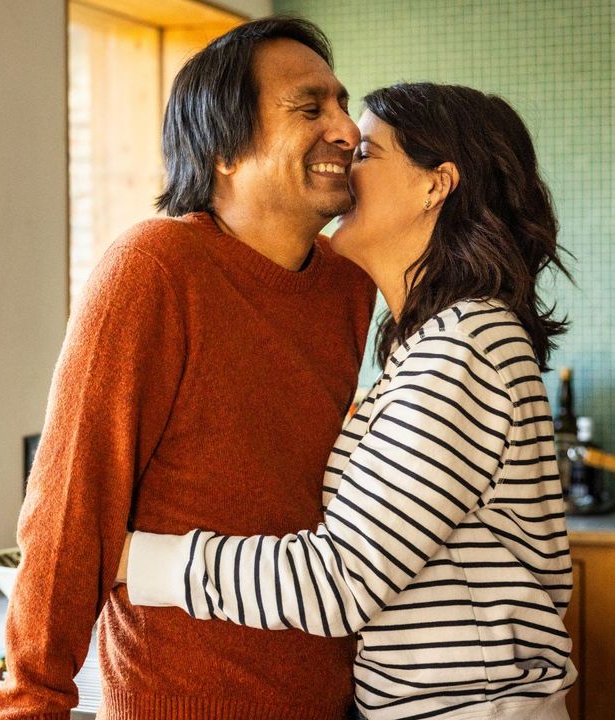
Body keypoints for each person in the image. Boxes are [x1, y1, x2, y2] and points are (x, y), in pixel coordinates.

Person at [119, 83, 577, 720]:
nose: (342, 170)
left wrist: (129, 556)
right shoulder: (435, 342)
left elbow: (340, 581)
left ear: (435, 185)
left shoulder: (464, 346)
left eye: (366, 153)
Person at [0, 16, 377, 720]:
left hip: (331, 701)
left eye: (342, 105)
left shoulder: (349, 287)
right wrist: (31, 703)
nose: (349, 131)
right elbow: (71, 509)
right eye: (311, 108)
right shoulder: (153, 270)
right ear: (224, 149)